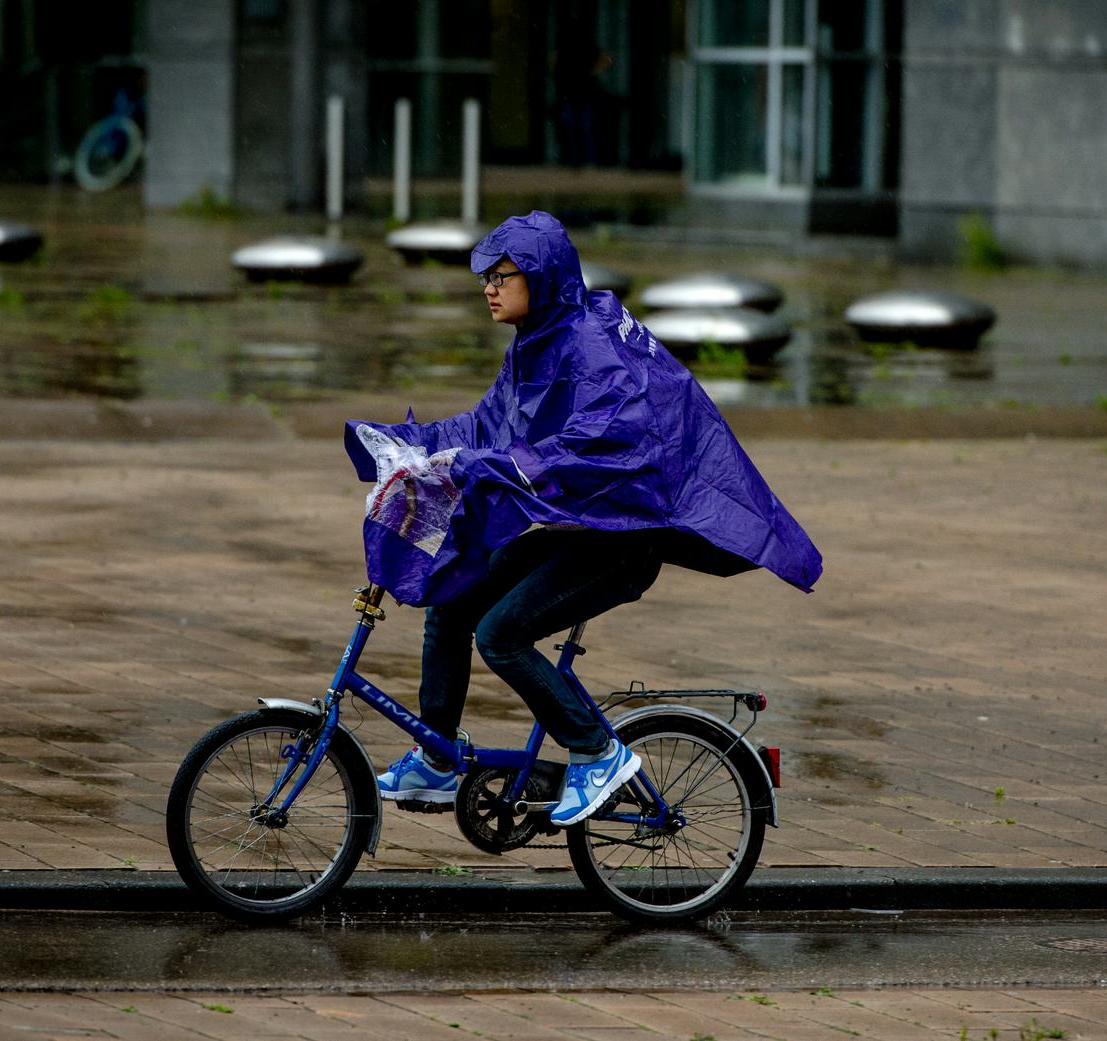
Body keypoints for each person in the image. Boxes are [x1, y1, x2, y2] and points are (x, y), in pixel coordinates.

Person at [345, 211, 821, 828]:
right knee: (453, 602)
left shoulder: (588, 346)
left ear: (539, 278)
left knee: (501, 635)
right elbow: (490, 425)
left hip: (622, 537)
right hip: (582, 529)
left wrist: (504, 464)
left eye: (502, 275)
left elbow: (607, 438)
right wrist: (413, 443)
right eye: (484, 277)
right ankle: (437, 757)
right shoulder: (538, 342)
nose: (489, 287)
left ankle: (596, 753)